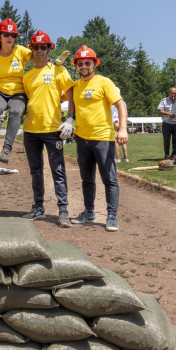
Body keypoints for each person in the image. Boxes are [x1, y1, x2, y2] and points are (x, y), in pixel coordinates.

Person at [59, 45, 127, 232]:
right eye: (80, 63)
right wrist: (69, 120)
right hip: (82, 138)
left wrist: (122, 129)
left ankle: (111, 215)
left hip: (103, 138)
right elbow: (55, 89)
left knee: (109, 178)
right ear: (76, 66)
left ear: (94, 64)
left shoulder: (105, 82)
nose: (83, 66)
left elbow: (120, 105)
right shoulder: (76, 86)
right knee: (86, 179)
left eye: (87, 63)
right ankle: (89, 212)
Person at [20, 31, 75, 227]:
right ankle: (38, 207)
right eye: (36, 47)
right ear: (31, 50)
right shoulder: (27, 76)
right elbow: (27, 101)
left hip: (53, 130)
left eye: (43, 47)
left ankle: (63, 210)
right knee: (35, 170)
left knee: (58, 170)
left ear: (48, 49)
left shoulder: (58, 70)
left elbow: (70, 93)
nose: (39, 51)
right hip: (31, 130)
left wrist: (70, 119)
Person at [0, 18, 32, 174]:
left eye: (13, 35)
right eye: (6, 34)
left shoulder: (21, 51)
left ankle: (6, 150)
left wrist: (53, 61)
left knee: (16, 112)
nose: (10, 38)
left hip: (18, 91)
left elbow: (38, 57)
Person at [157, 87, 176, 159]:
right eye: (172, 93)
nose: (173, 95)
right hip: (167, 123)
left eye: (174, 93)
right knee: (166, 140)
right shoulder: (164, 101)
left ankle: (174, 155)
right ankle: (166, 155)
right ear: (169, 93)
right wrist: (169, 114)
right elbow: (159, 110)